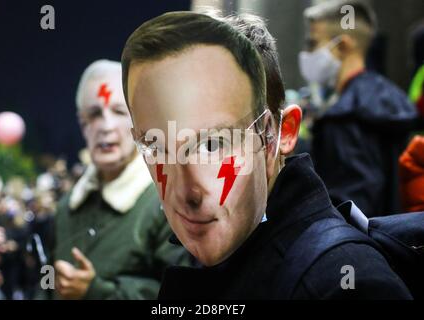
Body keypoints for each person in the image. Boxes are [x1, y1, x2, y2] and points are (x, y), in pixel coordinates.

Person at [121, 11, 412, 299]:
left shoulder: (340, 283)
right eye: (156, 146)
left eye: (213, 144)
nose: (185, 194)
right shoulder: (230, 256)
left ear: (282, 133)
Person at [50, 60, 188, 300]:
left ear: (139, 120)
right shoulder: (66, 207)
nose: (106, 126)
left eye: (119, 111)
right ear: (82, 123)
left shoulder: (168, 201)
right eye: (94, 114)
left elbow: (181, 298)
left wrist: (94, 292)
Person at [299, 0, 418, 217]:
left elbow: (352, 211)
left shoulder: (344, 118)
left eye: (313, 43)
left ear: (342, 46)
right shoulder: (391, 99)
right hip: (397, 242)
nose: (307, 53)